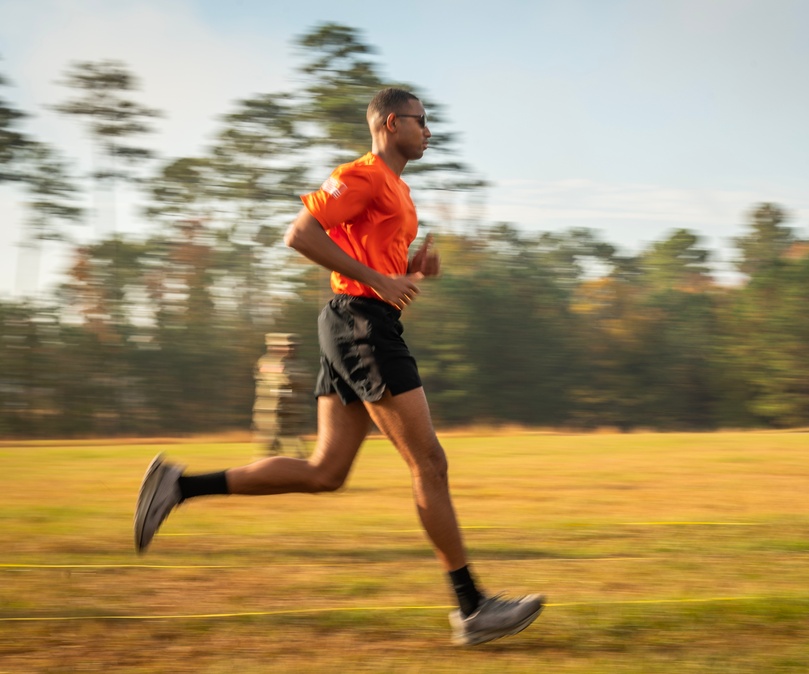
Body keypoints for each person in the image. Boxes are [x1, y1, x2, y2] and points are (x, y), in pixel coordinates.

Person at [133, 87, 544, 646]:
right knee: (430, 463)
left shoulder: (398, 189)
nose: (429, 132)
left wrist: (412, 267)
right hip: (360, 324)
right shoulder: (363, 175)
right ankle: (472, 609)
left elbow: (379, 265)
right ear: (392, 123)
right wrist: (379, 280)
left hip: (361, 321)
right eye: (422, 122)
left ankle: (177, 486)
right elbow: (300, 234)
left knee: (326, 472)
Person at [252, 333, 310, 458]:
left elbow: (306, 382)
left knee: (297, 451)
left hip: (292, 415)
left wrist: (290, 385)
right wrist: (290, 388)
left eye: (294, 347)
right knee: (270, 450)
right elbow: (277, 386)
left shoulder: (298, 363)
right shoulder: (267, 363)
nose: (291, 349)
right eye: (288, 346)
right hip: (271, 415)